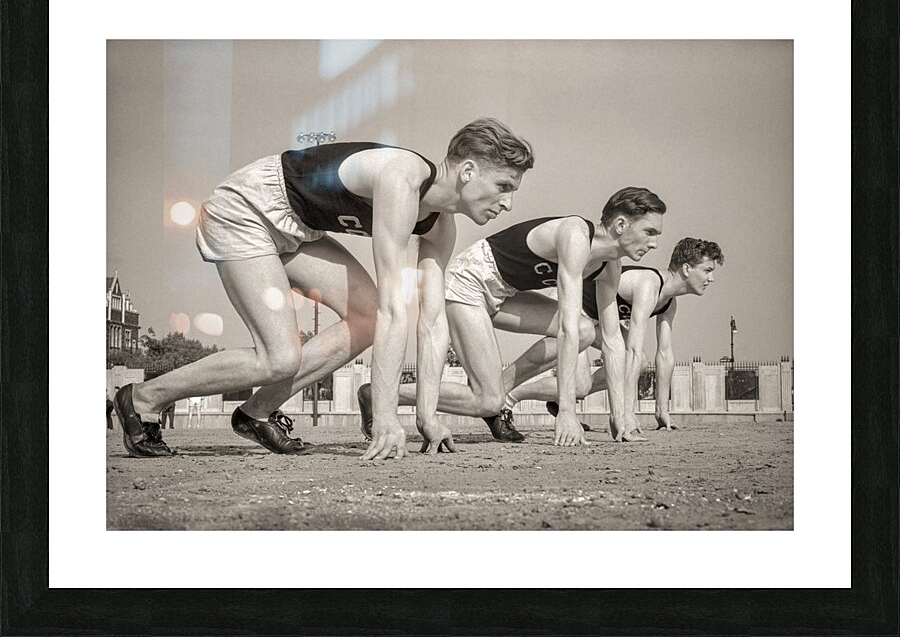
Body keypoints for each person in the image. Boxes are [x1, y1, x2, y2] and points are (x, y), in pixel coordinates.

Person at [112, 118, 534, 460]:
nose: (508, 204)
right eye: (504, 187)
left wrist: (427, 416)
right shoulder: (402, 177)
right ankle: (144, 398)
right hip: (248, 209)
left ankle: (257, 413)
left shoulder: (441, 226)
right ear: (468, 171)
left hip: (299, 229)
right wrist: (386, 416)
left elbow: (433, 320)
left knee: (365, 317)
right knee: (279, 357)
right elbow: (394, 309)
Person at [357, 187, 667, 446]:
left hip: (504, 294)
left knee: (588, 330)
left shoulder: (609, 266)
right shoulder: (576, 235)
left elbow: (612, 340)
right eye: (649, 232)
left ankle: (497, 396)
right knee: (488, 400)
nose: (654, 243)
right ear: (621, 224)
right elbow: (566, 328)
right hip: (469, 283)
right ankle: (382, 395)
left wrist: (621, 417)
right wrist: (567, 412)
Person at [514, 237, 724, 432]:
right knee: (581, 385)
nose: (711, 278)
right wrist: (627, 414)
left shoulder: (668, 302)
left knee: (639, 363)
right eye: (707, 270)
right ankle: (512, 394)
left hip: (598, 321)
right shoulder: (648, 285)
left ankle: (559, 398)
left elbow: (665, 354)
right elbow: (632, 349)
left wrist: (662, 411)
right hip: (573, 306)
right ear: (686, 269)